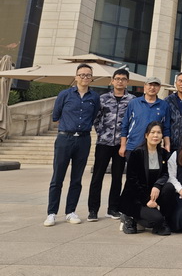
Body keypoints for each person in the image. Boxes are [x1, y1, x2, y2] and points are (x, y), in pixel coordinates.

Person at [44, 64, 101, 227]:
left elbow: (94, 115)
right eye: (82, 74)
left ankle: (70, 211)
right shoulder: (65, 94)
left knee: (77, 178)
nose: (85, 77)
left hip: (83, 140)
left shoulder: (94, 97)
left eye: (88, 75)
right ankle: (52, 213)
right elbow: (56, 115)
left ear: (91, 78)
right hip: (65, 139)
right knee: (57, 177)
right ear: (76, 77)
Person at [87, 68, 134, 222]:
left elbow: (133, 120)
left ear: (127, 82)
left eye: (123, 79)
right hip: (104, 143)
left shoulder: (132, 100)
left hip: (122, 144)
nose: (120, 81)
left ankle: (113, 208)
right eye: (117, 78)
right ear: (112, 81)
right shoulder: (103, 99)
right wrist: (102, 132)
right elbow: (96, 118)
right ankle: (93, 210)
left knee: (117, 177)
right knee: (97, 176)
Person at [119, 121, 172, 235]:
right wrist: (146, 201)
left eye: (159, 132)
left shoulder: (163, 153)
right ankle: (129, 216)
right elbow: (132, 181)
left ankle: (163, 221)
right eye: (152, 132)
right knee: (154, 220)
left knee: (169, 188)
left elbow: (165, 174)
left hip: (153, 194)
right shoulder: (137, 153)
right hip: (138, 197)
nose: (155, 135)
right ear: (146, 135)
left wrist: (157, 186)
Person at [119, 76, 171, 157]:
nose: (152, 87)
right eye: (150, 85)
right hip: (133, 146)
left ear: (159, 87)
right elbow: (125, 125)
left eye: (155, 85)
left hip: (154, 148)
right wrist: (123, 145)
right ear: (145, 86)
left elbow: (166, 128)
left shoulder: (164, 105)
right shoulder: (134, 103)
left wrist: (167, 144)